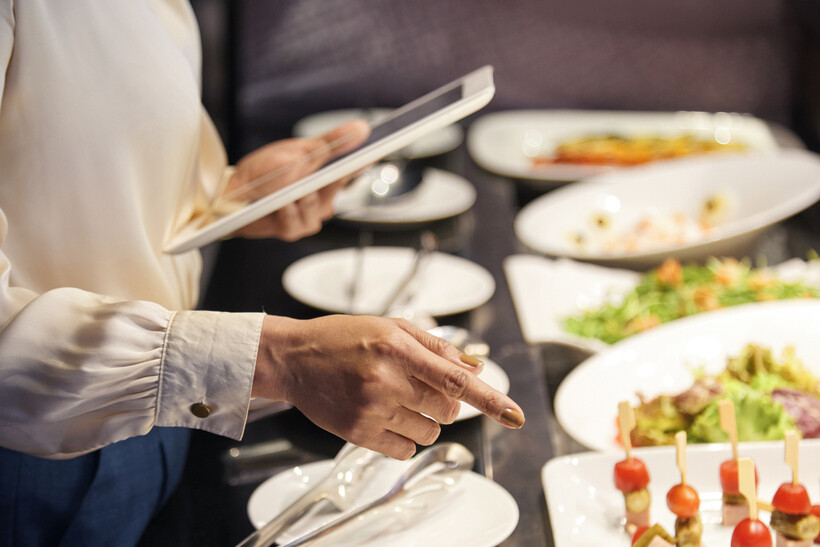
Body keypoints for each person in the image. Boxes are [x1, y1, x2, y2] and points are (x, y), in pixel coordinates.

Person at [0, 2, 524, 545]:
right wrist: (278, 357)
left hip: (154, 417)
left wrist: (229, 199)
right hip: (32, 451)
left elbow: (66, 180)